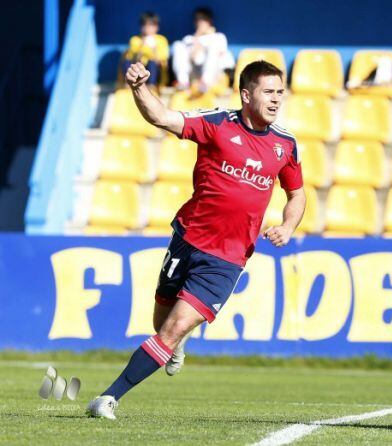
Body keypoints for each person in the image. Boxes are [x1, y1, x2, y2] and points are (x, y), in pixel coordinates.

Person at [86, 60, 305, 419]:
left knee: (171, 330)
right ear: (247, 94)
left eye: (281, 92)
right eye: (269, 91)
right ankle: (174, 344)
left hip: (228, 258)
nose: (277, 99)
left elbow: (297, 195)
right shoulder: (218, 123)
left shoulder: (285, 144)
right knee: (161, 324)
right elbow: (164, 118)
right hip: (188, 239)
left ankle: (108, 398)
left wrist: (288, 226)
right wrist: (140, 88)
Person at [171, 7, 234, 92]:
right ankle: (183, 82)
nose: (201, 23)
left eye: (204, 20)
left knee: (213, 47)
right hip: (194, 75)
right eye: (198, 20)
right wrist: (198, 37)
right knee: (177, 45)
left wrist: (208, 39)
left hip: (214, 75)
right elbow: (193, 58)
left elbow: (221, 56)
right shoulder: (189, 39)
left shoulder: (219, 36)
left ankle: (205, 82)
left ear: (210, 22)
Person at [120, 12, 169, 88]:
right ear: (141, 27)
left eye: (151, 25)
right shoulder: (135, 40)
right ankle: (129, 82)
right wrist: (142, 44)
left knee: (151, 62)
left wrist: (153, 48)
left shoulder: (161, 40)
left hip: (155, 71)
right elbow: (133, 59)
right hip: (140, 68)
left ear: (157, 27)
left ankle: (152, 85)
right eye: (145, 25)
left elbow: (162, 61)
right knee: (126, 61)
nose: (147, 28)